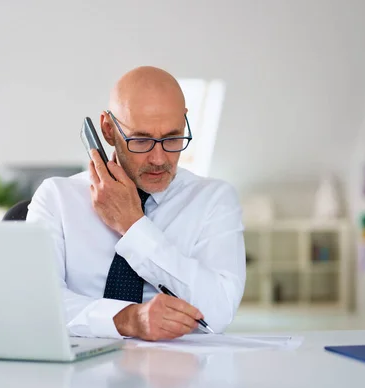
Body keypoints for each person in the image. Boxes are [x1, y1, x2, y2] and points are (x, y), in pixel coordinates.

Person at [26, 66, 245, 341]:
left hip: (178, 375)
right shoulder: (56, 198)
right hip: (79, 374)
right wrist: (128, 319)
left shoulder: (214, 199)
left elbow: (219, 311)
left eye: (172, 138)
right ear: (108, 130)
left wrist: (133, 225)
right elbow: (36, 304)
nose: (158, 158)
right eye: (141, 140)